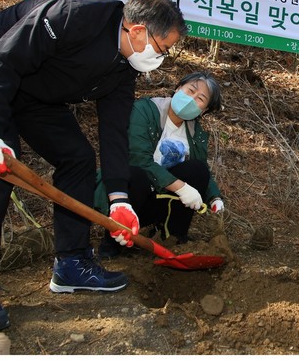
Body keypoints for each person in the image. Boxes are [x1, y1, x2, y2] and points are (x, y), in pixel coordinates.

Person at [0, 0, 187, 334]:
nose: (161, 57)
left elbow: (114, 129)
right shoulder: (74, 15)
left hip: (36, 93)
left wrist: (119, 199)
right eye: (162, 48)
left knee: (78, 158)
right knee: (0, 167)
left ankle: (71, 262)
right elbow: (3, 62)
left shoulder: (124, 66)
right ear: (137, 30)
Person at [95, 72, 224, 257]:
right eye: (190, 90)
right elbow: (138, 159)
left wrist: (214, 199)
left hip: (157, 199)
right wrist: (181, 188)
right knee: (137, 174)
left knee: (197, 170)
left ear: (203, 110)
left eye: (200, 99)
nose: (191, 99)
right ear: (178, 88)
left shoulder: (195, 133)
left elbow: (202, 169)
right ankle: (111, 246)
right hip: (126, 194)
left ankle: (173, 238)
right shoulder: (145, 110)